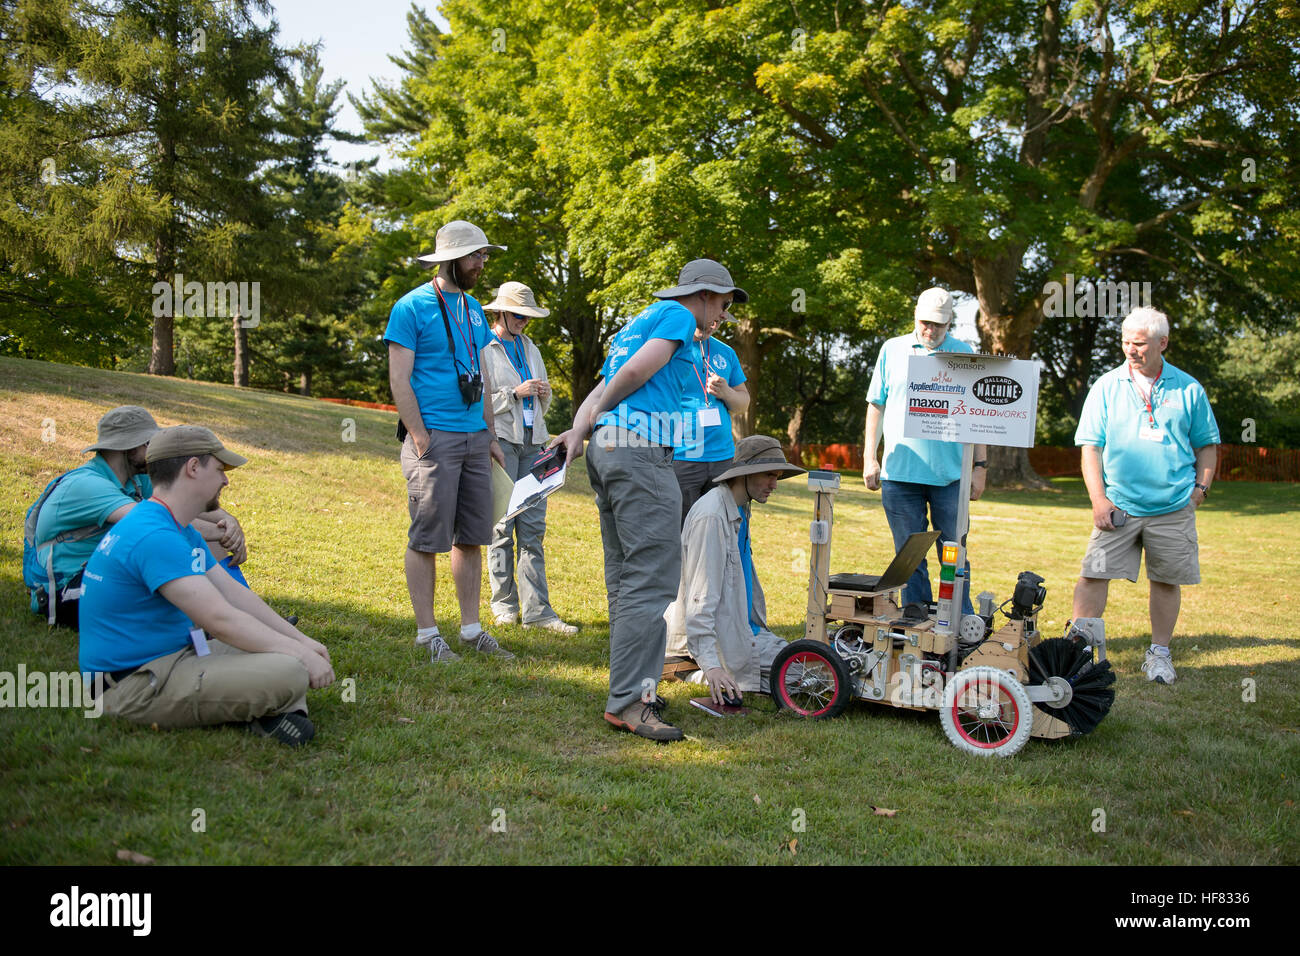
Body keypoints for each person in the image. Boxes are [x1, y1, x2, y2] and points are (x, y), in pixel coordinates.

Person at [556, 259, 746, 742]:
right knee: (654, 578)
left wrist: (581, 430)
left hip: (608, 449)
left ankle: (627, 692)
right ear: (702, 295)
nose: (723, 314)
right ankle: (632, 703)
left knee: (624, 577)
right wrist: (599, 412)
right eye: (723, 304)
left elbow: (602, 385)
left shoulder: (638, 321)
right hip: (641, 453)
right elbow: (637, 373)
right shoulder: (680, 318)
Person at [78, 426, 334, 747]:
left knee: (281, 647)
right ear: (193, 468)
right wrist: (300, 654)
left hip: (173, 658)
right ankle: (267, 708)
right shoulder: (154, 535)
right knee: (291, 670)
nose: (226, 480)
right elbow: (220, 619)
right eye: (220, 469)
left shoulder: (172, 524)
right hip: (132, 686)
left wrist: (300, 640)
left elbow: (234, 594)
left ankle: (266, 709)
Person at [387, 220, 513, 663]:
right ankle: (427, 634)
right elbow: (399, 380)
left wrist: (490, 435)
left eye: (484, 256)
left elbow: (482, 372)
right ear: (450, 259)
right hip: (434, 440)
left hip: (475, 439)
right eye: (476, 255)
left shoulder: (475, 309)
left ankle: (471, 629)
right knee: (427, 537)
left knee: (473, 537)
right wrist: (420, 437)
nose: (482, 263)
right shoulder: (411, 306)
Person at [1072, 307, 1219, 685]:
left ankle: (1159, 654)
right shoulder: (1107, 386)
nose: (1131, 350)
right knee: (1093, 574)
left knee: (1167, 580)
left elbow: (1207, 446)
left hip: (1172, 508)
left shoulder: (1188, 388)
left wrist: (1199, 492)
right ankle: (1079, 652)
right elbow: (1091, 447)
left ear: (1162, 343)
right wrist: (1099, 500)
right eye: (1125, 342)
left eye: (1139, 343)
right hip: (1118, 504)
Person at [25, 405, 251, 629]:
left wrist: (230, 522)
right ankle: (229, 621)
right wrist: (222, 533)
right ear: (128, 446)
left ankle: (245, 614)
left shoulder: (136, 481)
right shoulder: (87, 485)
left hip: (105, 576)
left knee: (192, 542)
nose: (155, 451)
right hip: (67, 591)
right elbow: (157, 524)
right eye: (149, 443)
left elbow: (187, 505)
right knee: (162, 544)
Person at [863, 288, 986, 616]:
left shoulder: (963, 352)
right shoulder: (893, 349)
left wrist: (980, 466)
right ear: (915, 316)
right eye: (925, 323)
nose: (930, 331)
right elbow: (876, 405)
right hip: (900, 474)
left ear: (950, 323)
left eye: (939, 325)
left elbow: (979, 413)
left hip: (950, 476)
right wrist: (869, 457)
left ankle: (959, 618)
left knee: (953, 552)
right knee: (908, 553)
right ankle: (915, 615)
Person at [664, 436, 804, 704]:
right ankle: (686, 668)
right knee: (805, 675)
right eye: (769, 475)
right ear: (745, 475)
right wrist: (711, 664)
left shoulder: (740, 507)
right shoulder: (712, 516)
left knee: (815, 664)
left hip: (742, 631)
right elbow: (699, 598)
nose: (775, 485)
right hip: (711, 644)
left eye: (777, 476)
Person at [481, 280, 578, 635]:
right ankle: (503, 606)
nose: (523, 321)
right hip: (502, 442)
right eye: (518, 315)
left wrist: (540, 394)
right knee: (502, 526)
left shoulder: (530, 347)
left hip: (534, 444)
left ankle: (538, 612)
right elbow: (480, 399)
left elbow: (543, 398)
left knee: (533, 530)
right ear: (501, 313)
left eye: (527, 316)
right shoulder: (484, 347)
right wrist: (514, 393)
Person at [672, 310, 750, 524]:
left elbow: (743, 403)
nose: (712, 325)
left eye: (718, 321)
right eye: (710, 319)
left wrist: (727, 393)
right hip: (682, 456)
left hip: (722, 458)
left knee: (720, 527)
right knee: (682, 529)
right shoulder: (670, 348)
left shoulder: (726, 352)